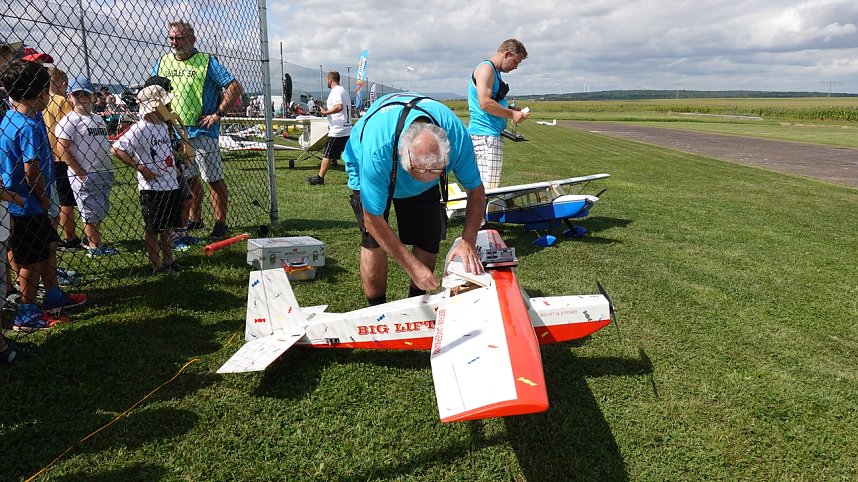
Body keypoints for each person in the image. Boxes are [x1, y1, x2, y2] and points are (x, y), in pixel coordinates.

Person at [343, 93, 486, 306]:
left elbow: (476, 192)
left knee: (428, 239)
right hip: (367, 162)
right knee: (373, 240)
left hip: (407, 161)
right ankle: (377, 310)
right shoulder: (378, 151)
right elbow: (372, 219)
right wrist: (412, 266)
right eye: (417, 172)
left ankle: (416, 307)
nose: (423, 179)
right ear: (403, 155)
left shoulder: (457, 139)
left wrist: (468, 241)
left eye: (434, 171)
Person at [0, 61, 87, 331]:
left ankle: (52, 295)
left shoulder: (15, 117)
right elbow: (31, 171)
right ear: (40, 93)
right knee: (30, 261)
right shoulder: (28, 126)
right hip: (28, 204)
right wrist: (45, 200)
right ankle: (26, 313)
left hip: (24, 203)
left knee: (48, 246)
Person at [152, 20, 244, 239]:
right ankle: (195, 219)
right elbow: (153, 87)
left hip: (202, 132)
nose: (174, 42)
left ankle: (220, 223)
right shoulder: (163, 61)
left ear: (192, 40)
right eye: (171, 38)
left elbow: (234, 87)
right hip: (175, 131)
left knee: (212, 178)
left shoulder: (207, 62)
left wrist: (217, 114)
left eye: (180, 38)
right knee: (189, 179)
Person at [111, 85, 186, 275]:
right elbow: (117, 149)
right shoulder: (140, 128)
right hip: (152, 187)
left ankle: (169, 261)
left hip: (170, 183)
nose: (169, 106)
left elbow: (165, 151)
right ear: (154, 106)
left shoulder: (164, 126)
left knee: (168, 227)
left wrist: (174, 165)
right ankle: (156, 265)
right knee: (153, 228)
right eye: (165, 103)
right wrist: (141, 168)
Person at [55, 76, 117, 257]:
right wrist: (79, 171)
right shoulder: (69, 121)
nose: (82, 98)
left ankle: (95, 240)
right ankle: (94, 246)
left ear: (93, 97)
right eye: (77, 95)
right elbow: (63, 147)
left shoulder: (97, 118)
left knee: (99, 209)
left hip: (102, 170)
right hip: (85, 173)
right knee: (89, 211)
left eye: (86, 94)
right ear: (70, 97)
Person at [468, 38, 529, 189]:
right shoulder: (486, 69)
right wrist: (511, 114)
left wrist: (509, 107)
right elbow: (485, 103)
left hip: (490, 135)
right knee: (489, 187)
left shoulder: (495, 72)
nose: (515, 67)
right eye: (515, 62)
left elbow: (493, 100)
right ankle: (481, 212)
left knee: (488, 185)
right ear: (507, 54)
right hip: (486, 136)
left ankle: (479, 211)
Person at [43, 67, 80, 250]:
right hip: (62, 155)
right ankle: (70, 237)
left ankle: (52, 236)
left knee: (52, 198)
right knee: (66, 199)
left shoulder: (40, 101)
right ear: (63, 84)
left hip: (46, 156)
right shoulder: (62, 102)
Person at [306, 71, 352, 185]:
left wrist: (326, 112)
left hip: (338, 130)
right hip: (347, 128)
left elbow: (339, 106)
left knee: (327, 154)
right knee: (350, 155)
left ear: (330, 80)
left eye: (327, 80)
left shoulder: (336, 91)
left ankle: (320, 178)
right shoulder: (344, 91)